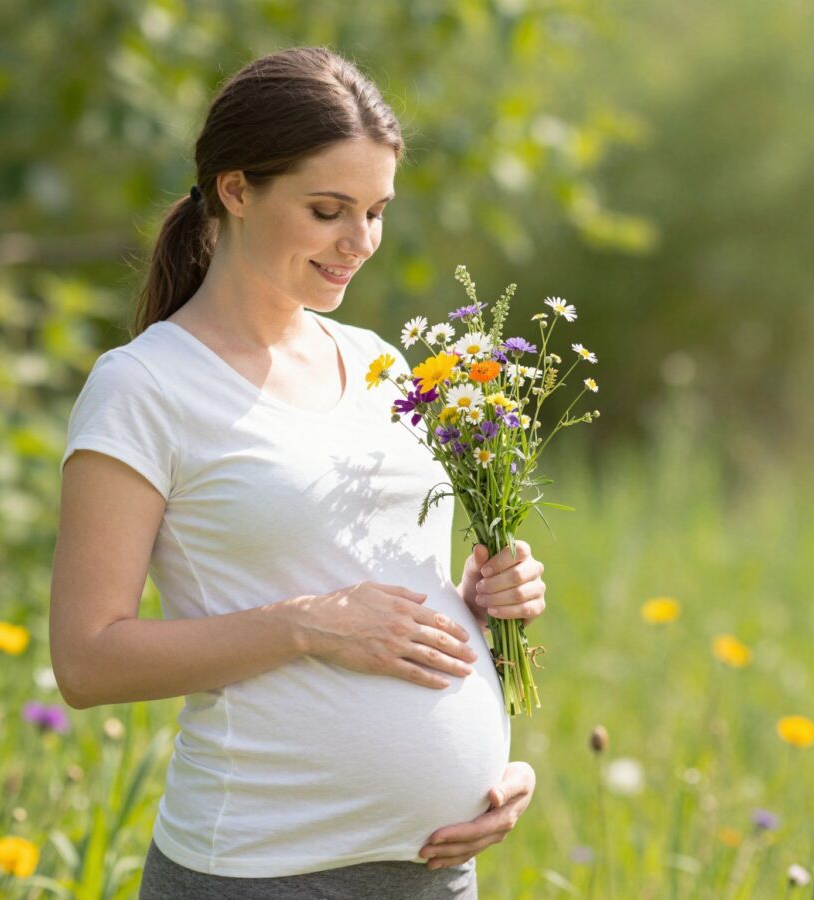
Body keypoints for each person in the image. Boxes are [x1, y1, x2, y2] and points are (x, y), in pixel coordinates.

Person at [49, 47, 549, 899]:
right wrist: (307, 626)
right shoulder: (145, 386)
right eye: (328, 211)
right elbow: (88, 661)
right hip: (263, 870)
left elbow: (382, 594)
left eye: (377, 212)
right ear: (237, 190)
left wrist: (478, 610)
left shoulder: (385, 367)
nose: (360, 243)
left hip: (435, 866)